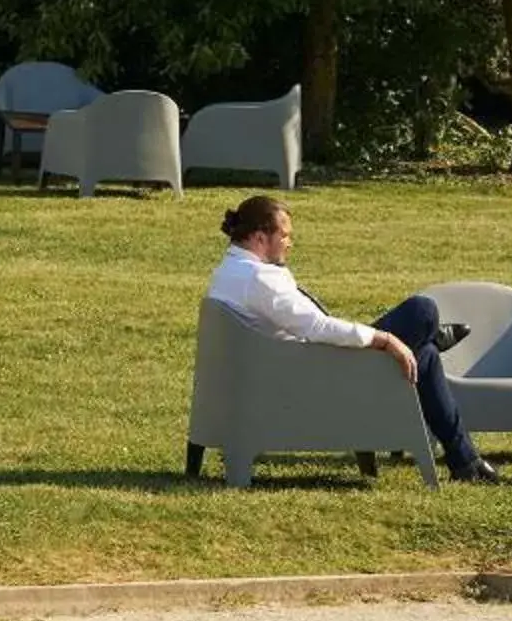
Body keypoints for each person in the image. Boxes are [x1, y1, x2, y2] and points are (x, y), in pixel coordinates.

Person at [206, 194, 496, 484]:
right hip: (315, 374)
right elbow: (317, 327)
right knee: (422, 311)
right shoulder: (258, 278)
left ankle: (465, 461)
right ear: (259, 238)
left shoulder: (230, 271)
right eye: (284, 236)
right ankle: (431, 339)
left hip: (294, 365)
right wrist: (383, 339)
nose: (289, 243)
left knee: (425, 356)